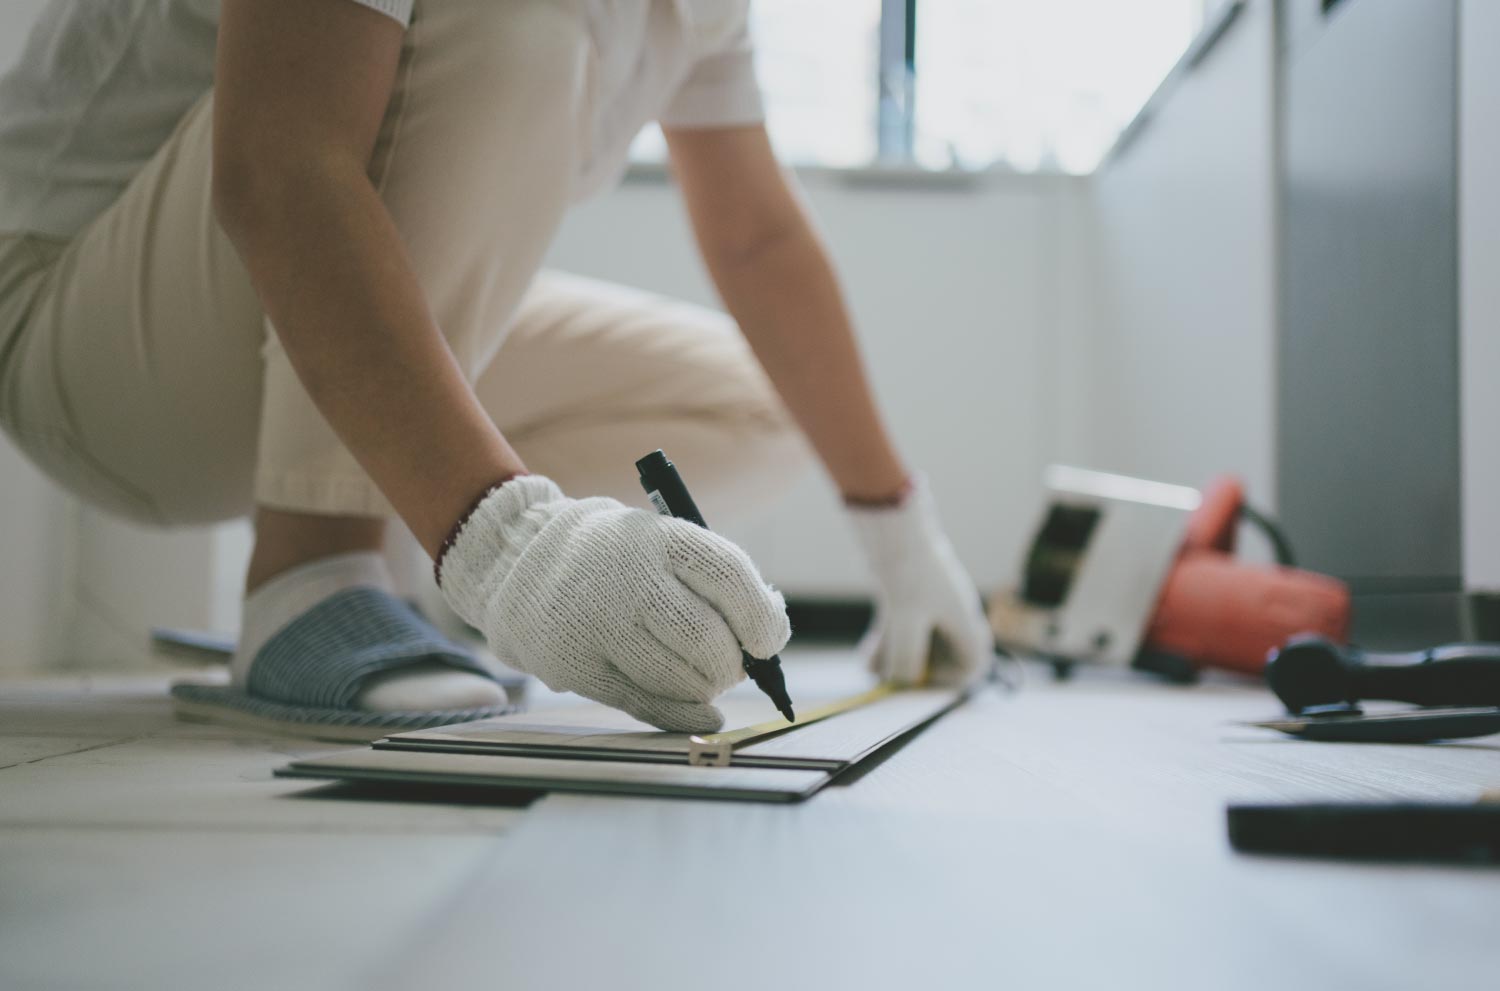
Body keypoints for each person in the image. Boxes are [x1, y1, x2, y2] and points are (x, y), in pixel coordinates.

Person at [0, 0, 991, 737]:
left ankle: (410, 570)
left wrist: (899, 531)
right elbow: (280, 159)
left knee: (751, 411)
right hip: (84, 341)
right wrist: (510, 542)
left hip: (257, 321)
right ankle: (312, 569)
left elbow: (757, 238)